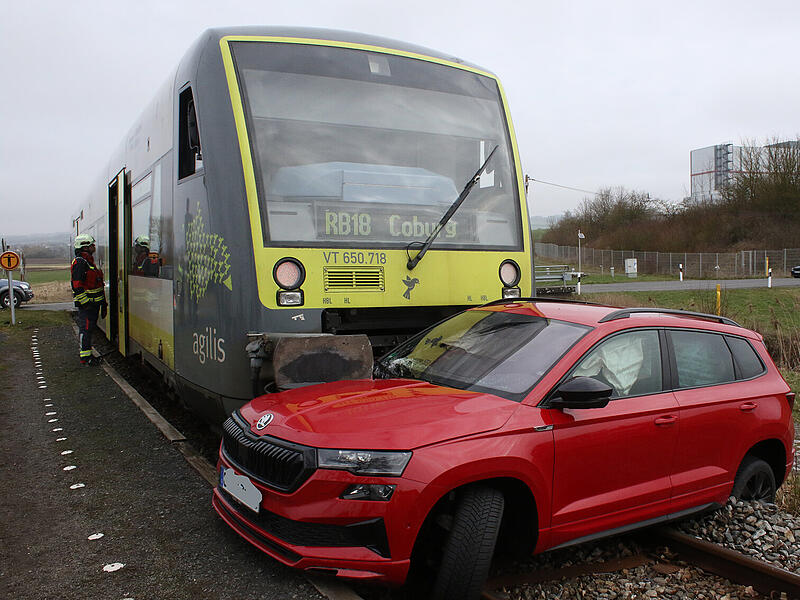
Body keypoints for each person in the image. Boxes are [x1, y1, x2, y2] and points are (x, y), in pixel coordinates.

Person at [71, 234, 107, 365]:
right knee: (85, 330)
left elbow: (97, 286)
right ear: (85, 246)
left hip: (93, 305)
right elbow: (76, 286)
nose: (94, 247)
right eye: (92, 245)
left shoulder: (88, 262)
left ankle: (88, 355)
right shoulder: (80, 263)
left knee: (89, 330)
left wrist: (103, 304)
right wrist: (85, 303)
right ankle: (85, 358)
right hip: (87, 306)